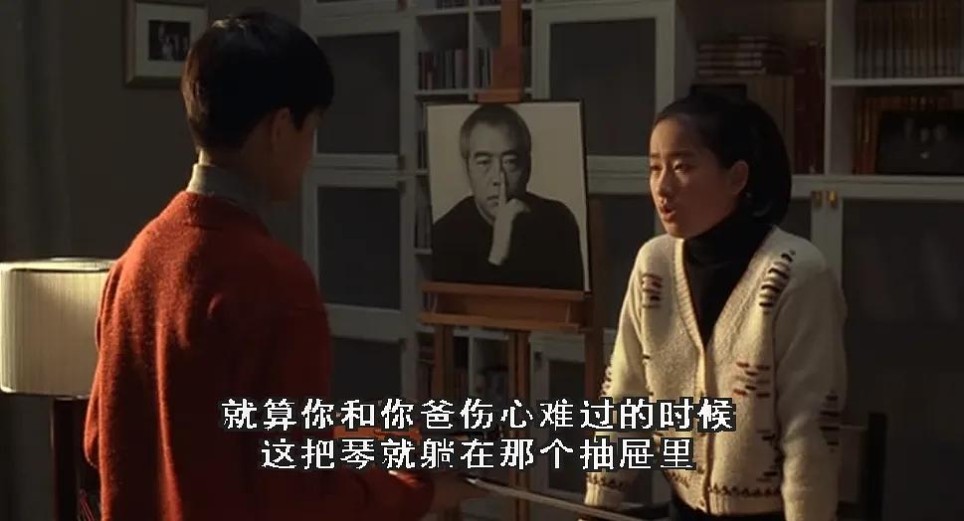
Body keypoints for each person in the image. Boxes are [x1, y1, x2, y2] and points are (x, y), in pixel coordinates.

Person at [84, 11, 483, 520]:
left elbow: (101, 442)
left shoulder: (136, 261)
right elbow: (299, 499)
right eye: (310, 130)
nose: (310, 153)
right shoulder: (272, 280)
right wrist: (418, 493)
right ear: (279, 127)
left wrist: (376, 445)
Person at [582, 93, 847, 521]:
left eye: (682, 167)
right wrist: (597, 507)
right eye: (654, 168)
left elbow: (808, 428)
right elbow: (624, 394)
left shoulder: (796, 273)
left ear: (736, 177)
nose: (662, 187)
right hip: (682, 510)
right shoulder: (654, 264)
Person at [431, 103, 585, 291]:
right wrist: (498, 252)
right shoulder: (446, 234)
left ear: (527, 168)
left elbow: (570, 303)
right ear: (467, 169)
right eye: (484, 162)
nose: (498, 178)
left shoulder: (558, 221)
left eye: (510, 162)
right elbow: (465, 308)